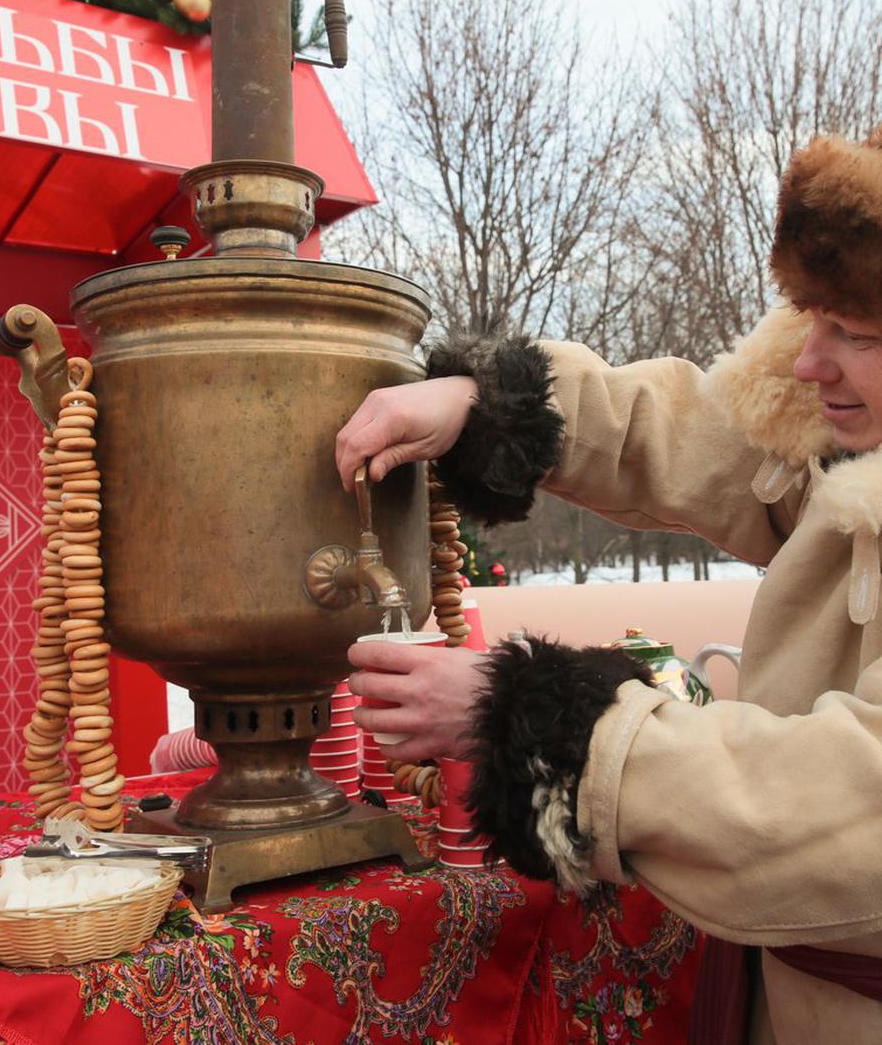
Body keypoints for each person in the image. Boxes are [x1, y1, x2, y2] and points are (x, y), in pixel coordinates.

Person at [336, 127, 882, 1044]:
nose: (808, 362)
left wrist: (549, 728)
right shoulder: (846, 434)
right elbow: (698, 435)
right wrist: (484, 403)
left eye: (855, 334)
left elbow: (852, 809)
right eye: (812, 319)